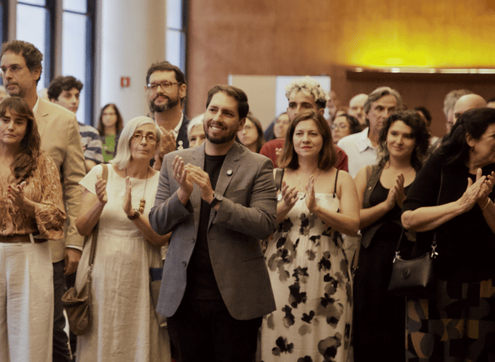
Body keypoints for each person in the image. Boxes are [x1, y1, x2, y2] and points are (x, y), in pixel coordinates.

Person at [0, 40, 85, 362]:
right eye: (3, 69)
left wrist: (74, 243)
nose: (7, 75)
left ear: (36, 72)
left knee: (46, 332)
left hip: (41, 244)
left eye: (15, 68)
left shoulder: (62, 120)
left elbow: (73, 186)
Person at [150, 85, 277, 361]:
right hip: (184, 298)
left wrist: (214, 198)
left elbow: (265, 223)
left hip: (236, 299)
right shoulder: (175, 161)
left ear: (241, 123)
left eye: (228, 113)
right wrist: (182, 195)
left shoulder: (258, 165)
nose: (217, 118)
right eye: (213, 109)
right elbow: (158, 223)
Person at [0, 97, 66, 362]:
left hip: (30, 253)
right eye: (5, 120)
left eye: (19, 122)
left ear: (28, 127)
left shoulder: (43, 163)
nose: (11, 127)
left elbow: (57, 217)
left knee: (30, 339)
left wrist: (30, 206)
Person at [259, 110, 360, 362]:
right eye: (299, 133)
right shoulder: (274, 176)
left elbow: (353, 225)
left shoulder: (341, 177)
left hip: (328, 270)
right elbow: (260, 228)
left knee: (326, 336)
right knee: (281, 333)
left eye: (313, 134)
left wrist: (317, 209)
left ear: (324, 139)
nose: (305, 139)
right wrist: (282, 210)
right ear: (290, 139)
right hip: (280, 269)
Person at [74, 116, 171, 361]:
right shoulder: (102, 172)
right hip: (102, 269)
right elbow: (82, 228)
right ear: (126, 139)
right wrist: (100, 204)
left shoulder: (162, 182)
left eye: (151, 137)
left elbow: (161, 239)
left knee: (139, 333)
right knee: (102, 332)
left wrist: (133, 216)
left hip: (143, 269)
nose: (144, 142)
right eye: (137, 135)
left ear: (157, 146)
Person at [401, 107, 495, 361]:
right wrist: (461, 205)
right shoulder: (441, 164)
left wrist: (484, 202)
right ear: (471, 140)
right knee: (433, 354)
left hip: (483, 284)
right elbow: (409, 218)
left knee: (478, 353)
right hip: (435, 281)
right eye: (494, 137)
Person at [351, 111, 429, 361]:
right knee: (368, 325)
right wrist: (386, 206)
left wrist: (405, 204)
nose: (399, 140)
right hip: (372, 258)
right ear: (385, 137)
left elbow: (432, 223)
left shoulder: (426, 175)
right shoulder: (368, 172)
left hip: (410, 260)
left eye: (408, 136)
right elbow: (352, 220)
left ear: (417, 142)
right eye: (394, 133)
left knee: (402, 329)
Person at [259, 76, 349, 171]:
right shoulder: (271, 149)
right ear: (287, 111)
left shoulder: (337, 154)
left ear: (320, 113)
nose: (297, 112)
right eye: (292, 106)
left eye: (306, 106)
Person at [338, 86, 402, 177]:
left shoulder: (401, 146)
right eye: (380, 109)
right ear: (367, 113)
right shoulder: (347, 145)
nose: (386, 115)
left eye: (391, 110)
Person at [48, 75, 104, 171]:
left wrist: (75, 153)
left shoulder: (91, 133)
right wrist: (73, 151)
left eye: (77, 96)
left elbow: (93, 170)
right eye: (67, 96)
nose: (74, 101)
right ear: (53, 101)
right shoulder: (44, 130)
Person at [146, 61, 190, 170]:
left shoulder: (196, 135)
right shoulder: (135, 134)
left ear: (182, 90)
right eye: (153, 86)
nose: (159, 90)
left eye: (166, 84)